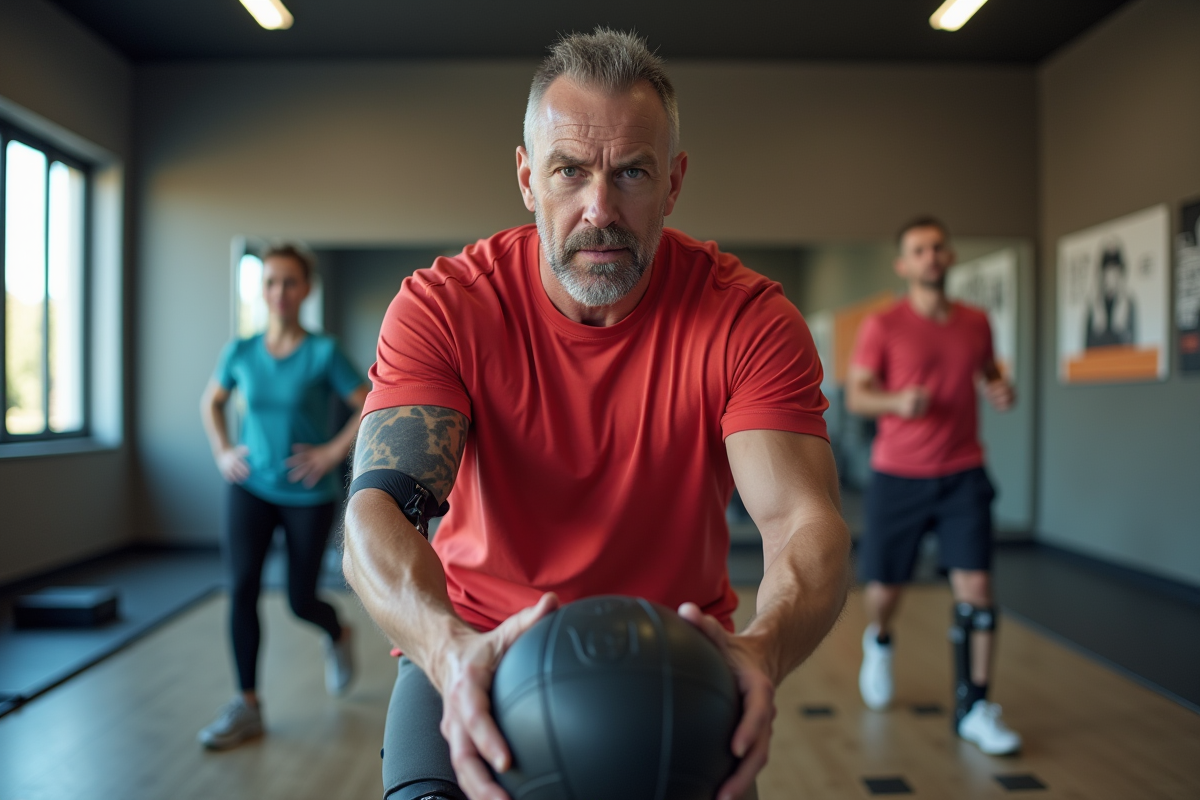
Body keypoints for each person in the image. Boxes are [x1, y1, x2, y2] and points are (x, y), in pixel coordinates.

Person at [342, 28, 851, 800]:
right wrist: (447, 653)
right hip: (476, 647)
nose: (599, 209)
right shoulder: (444, 307)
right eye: (569, 171)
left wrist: (764, 651)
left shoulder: (748, 318)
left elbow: (803, 525)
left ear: (674, 183)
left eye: (632, 173)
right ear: (526, 177)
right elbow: (378, 514)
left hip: (675, 662)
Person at [846, 217, 1021, 755]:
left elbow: (988, 369)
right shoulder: (883, 326)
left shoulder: (976, 322)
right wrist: (897, 402)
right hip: (899, 475)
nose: (931, 257)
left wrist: (998, 388)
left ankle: (975, 707)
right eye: (919, 250)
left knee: (978, 593)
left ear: (950, 257)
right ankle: (878, 639)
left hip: (964, 473)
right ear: (904, 264)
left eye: (938, 248)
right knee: (885, 590)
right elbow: (857, 397)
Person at [197, 244, 369, 750]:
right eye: (270, 282)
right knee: (243, 586)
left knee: (299, 599)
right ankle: (247, 704)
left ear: (305, 289)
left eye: (289, 282)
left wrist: (332, 453)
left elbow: (368, 404)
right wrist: (223, 450)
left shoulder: (324, 352)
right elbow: (212, 402)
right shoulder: (241, 351)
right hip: (250, 485)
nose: (279, 292)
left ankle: (337, 633)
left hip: (308, 492)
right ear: (262, 288)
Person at [1085, 244, 1137, 349]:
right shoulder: (1094, 305)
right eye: (1108, 270)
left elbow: (1132, 345)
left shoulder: (1128, 304)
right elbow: (1087, 347)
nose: (1111, 275)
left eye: (1115, 270)